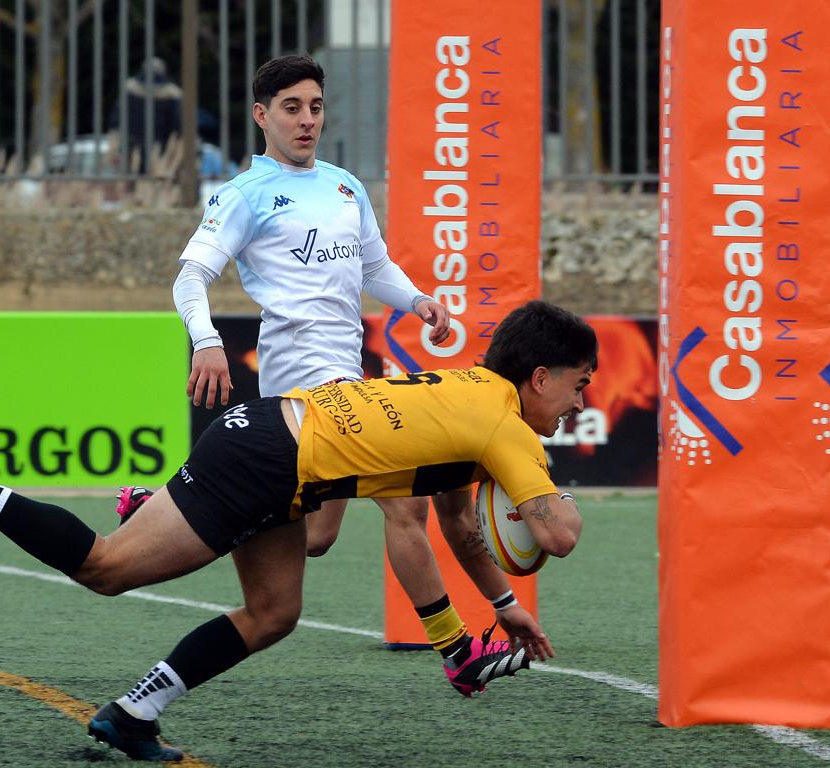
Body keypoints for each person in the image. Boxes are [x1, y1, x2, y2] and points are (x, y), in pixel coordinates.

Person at [0, 301, 598, 761]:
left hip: (279, 451)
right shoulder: (507, 430)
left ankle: (132, 714)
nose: (578, 401)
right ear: (539, 376)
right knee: (107, 569)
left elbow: (460, 529)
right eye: (578, 384)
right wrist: (544, 496)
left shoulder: (470, 391)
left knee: (275, 613)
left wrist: (500, 612)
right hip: (266, 461)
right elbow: (559, 538)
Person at [141, 53, 549, 696]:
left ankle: (184, 508)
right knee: (406, 503)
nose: (307, 120)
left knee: (319, 536)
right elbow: (190, 275)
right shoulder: (244, 195)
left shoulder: (343, 185)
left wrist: (417, 301)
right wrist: (206, 341)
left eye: (316, 106)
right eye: (291, 108)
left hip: (347, 365)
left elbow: (373, 267)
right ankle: (457, 652)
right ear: (261, 116)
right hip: (305, 371)